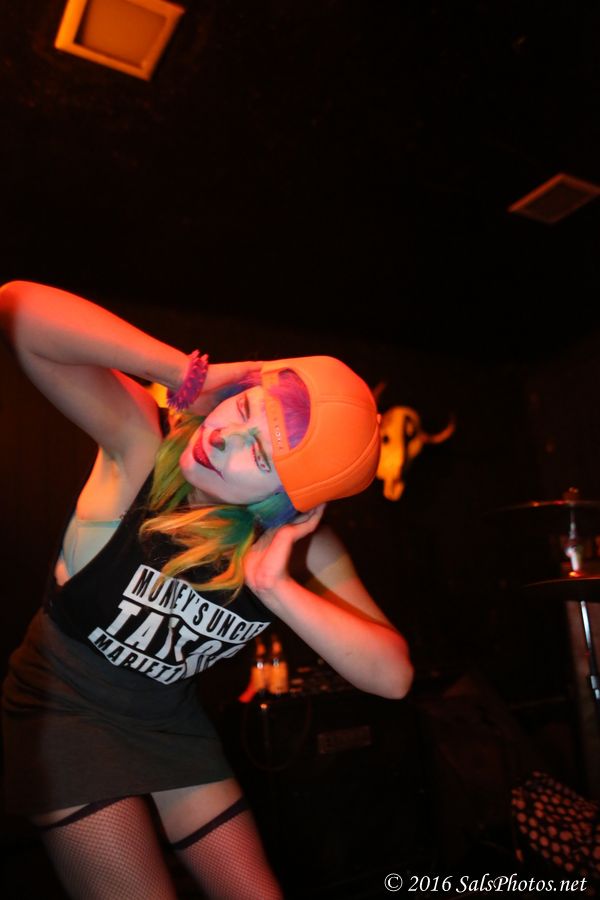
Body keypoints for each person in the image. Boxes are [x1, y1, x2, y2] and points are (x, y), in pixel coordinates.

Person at [0, 280, 413, 900]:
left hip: (170, 722)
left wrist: (276, 588)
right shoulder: (144, 446)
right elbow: (18, 309)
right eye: (243, 412)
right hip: (64, 706)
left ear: (289, 500)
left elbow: (393, 677)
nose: (223, 437)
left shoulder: (298, 547)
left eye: (262, 457)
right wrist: (180, 372)